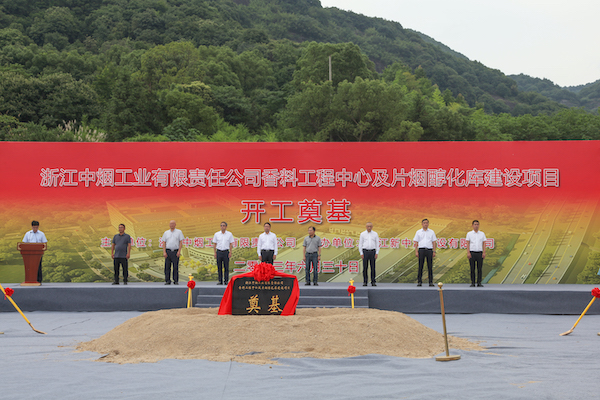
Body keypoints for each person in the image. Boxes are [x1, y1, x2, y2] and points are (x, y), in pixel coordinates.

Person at [414, 219, 437, 287]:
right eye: (424, 223)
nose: (425, 224)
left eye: (427, 223)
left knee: (430, 266)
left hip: (429, 250)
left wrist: (434, 251)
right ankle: (419, 281)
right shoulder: (418, 232)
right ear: (422, 224)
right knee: (420, 266)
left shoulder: (432, 232)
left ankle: (430, 282)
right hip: (421, 250)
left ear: (428, 224)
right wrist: (416, 251)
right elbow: (416, 242)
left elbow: (434, 242)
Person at [466, 220, 487, 287]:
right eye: (475, 224)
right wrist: (468, 253)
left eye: (477, 224)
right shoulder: (469, 234)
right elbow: (468, 243)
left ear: (479, 225)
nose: (476, 226)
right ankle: (473, 283)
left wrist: (484, 252)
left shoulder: (482, 234)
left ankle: (479, 283)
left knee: (479, 269)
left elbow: (484, 243)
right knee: (472, 269)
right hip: (472, 253)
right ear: (472, 225)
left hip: (479, 253)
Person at [162, 220, 184, 285]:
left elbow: (181, 242)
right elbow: (164, 242)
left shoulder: (179, 232)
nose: (172, 225)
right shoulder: (166, 233)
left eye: (173, 223)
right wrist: (164, 252)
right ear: (169, 225)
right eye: (171, 223)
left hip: (175, 252)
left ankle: (175, 280)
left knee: (175, 267)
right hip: (168, 251)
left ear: (175, 224)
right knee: (167, 267)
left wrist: (179, 251)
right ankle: (167, 280)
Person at [359, 222, 379, 287]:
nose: (369, 227)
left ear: (372, 227)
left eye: (370, 226)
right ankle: (365, 281)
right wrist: (361, 253)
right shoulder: (362, 234)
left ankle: (373, 281)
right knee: (365, 267)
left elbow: (377, 244)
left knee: (373, 267)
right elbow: (360, 244)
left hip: (373, 251)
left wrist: (377, 252)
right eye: (368, 226)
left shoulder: (375, 234)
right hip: (365, 251)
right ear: (366, 227)